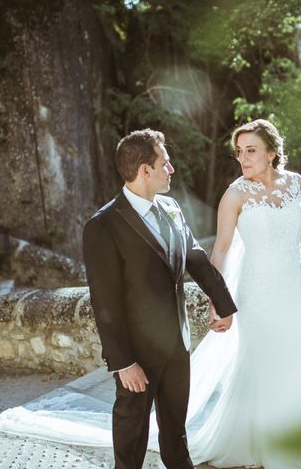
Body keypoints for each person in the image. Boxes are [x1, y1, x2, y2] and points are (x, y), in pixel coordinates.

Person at [148, 119, 301, 469]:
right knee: (266, 364)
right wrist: (216, 301)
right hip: (257, 294)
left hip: (297, 291)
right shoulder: (235, 193)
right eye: (239, 152)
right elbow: (219, 249)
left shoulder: (297, 184)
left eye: (251, 150)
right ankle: (272, 445)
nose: (243, 158)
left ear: (272, 151)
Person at [83, 129, 238, 469]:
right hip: (137, 354)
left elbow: (195, 257)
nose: (172, 169)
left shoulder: (170, 207)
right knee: (132, 433)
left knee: (175, 431)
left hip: (177, 345)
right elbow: (104, 303)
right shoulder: (103, 226)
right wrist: (123, 363)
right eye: (165, 163)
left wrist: (223, 303)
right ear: (144, 170)